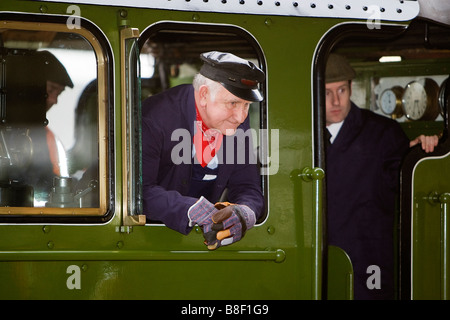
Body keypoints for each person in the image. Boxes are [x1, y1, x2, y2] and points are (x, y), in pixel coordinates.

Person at [325, 53, 438, 300]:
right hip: (319, 267)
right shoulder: (303, 138)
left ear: (351, 88)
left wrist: (421, 152)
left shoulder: (383, 133)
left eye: (342, 90)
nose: (336, 101)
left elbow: (406, 183)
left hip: (368, 266)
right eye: (327, 92)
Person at [142, 51, 264, 249]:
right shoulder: (155, 118)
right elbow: (139, 191)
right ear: (205, 95)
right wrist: (190, 209)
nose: (241, 117)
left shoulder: (234, 121)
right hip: (149, 241)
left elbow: (247, 186)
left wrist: (245, 212)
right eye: (232, 103)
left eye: (247, 105)